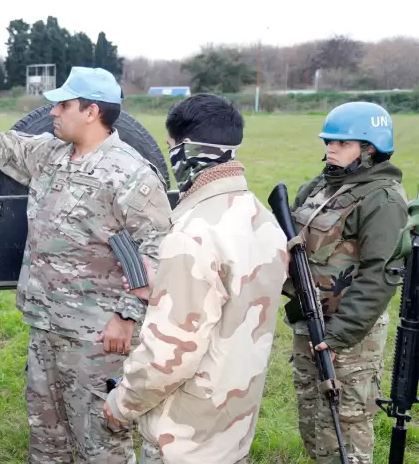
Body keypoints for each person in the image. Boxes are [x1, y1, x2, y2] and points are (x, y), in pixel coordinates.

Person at [0, 66, 173, 463]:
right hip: (45, 326)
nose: (52, 112)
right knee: (47, 436)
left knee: (100, 440)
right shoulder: (51, 154)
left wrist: (127, 315)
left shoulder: (131, 174)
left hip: (97, 336)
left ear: (91, 111)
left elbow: (158, 251)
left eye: (63, 105)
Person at [102, 93, 289, 463]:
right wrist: (164, 288)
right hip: (233, 425)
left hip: (185, 438)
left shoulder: (193, 233)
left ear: (186, 151)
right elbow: (229, 304)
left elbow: (169, 356)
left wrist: (121, 404)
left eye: (171, 146)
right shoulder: (264, 219)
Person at [285, 101, 408, 463]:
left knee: (346, 426)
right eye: (329, 142)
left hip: (351, 336)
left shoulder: (382, 199)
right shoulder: (319, 187)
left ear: (370, 148)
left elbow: (379, 276)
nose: (331, 149)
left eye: (342, 143)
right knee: (314, 420)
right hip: (309, 322)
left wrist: (339, 335)